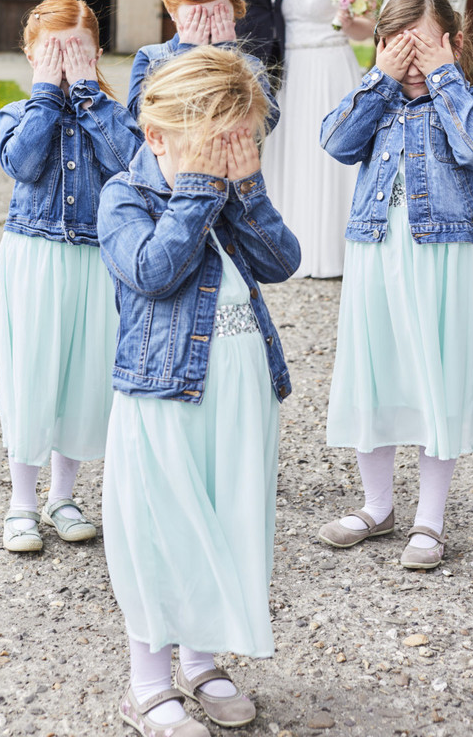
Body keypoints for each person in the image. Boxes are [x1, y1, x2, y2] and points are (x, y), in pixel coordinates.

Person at [98, 47, 300, 737]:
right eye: (216, 141)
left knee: (225, 521)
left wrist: (248, 190)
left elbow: (282, 262)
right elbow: (152, 271)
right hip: (164, 397)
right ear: (157, 137)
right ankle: (149, 685)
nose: (227, 154)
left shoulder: (226, 189)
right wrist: (197, 192)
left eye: (239, 139)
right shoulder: (124, 196)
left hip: (240, 392)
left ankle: (203, 660)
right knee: (163, 531)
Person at [317, 0, 473, 570]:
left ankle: (430, 517)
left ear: (453, 42)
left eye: (422, 47)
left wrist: (445, 77)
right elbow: (335, 142)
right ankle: (377, 505)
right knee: (374, 370)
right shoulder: (379, 100)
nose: (412, 61)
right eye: (399, 48)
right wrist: (379, 79)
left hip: (441, 256)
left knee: (434, 375)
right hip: (376, 250)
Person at [0, 0, 143, 554]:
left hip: (92, 255)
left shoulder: (111, 111)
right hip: (35, 253)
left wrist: (85, 93)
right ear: (32, 54)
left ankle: (63, 494)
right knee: (33, 369)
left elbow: (130, 161)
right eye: (52, 54)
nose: (64, 64)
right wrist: (46, 93)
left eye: (76, 53)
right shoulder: (19, 111)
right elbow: (24, 163)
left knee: (82, 371)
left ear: (97, 53)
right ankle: (22, 502)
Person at [262, 0, 375, 278]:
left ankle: (330, 250)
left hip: (328, 67)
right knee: (293, 148)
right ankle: (291, 247)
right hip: (293, 71)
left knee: (325, 151)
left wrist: (347, 21)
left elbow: (367, 29)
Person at [127, 0, 279, 135]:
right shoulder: (151, 58)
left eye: (218, 13)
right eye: (196, 15)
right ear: (172, 11)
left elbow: (265, 123)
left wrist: (227, 60)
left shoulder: (250, 65)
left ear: (235, 9)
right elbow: (139, 120)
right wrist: (186, 55)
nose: (207, 23)